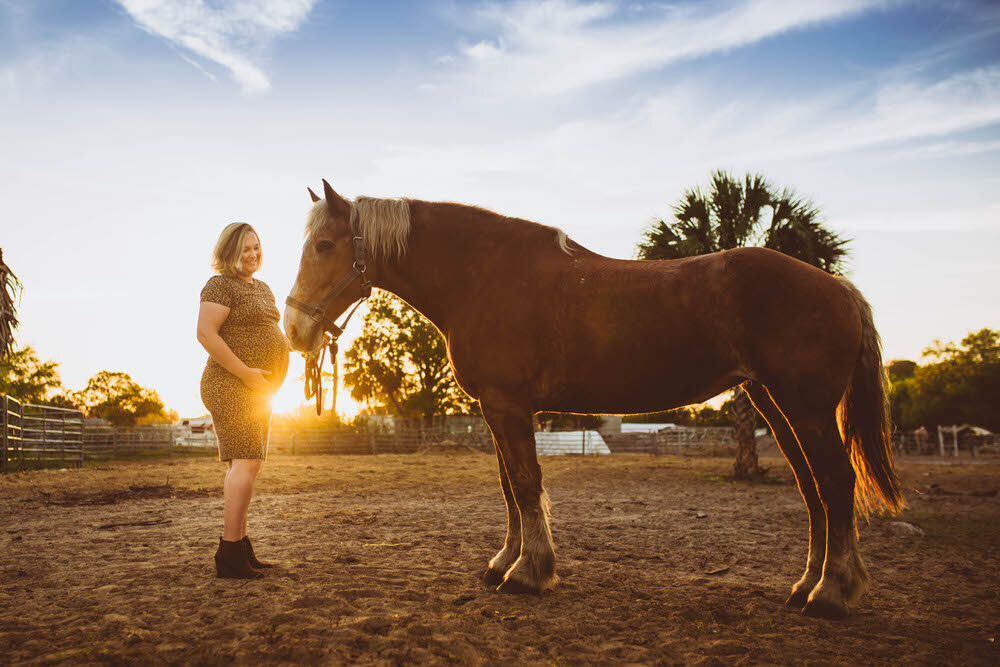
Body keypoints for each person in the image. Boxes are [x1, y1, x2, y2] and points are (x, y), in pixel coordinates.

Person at [196, 222, 289, 578]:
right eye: (245, 249)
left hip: (257, 391)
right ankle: (230, 554)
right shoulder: (219, 285)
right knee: (246, 463)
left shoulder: (262, 288)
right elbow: (206, 333)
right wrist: (246, 372)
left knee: (247, 465)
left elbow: (268, 333)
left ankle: (241, 546)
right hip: (230, 382)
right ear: (229, 252)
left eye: (256, 247)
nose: (253, 254)